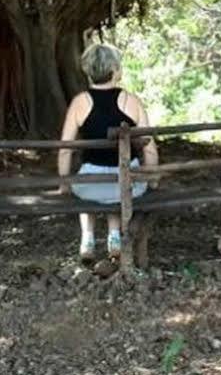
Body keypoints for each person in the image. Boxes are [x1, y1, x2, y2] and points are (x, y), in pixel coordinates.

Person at [57, 44, 159, 262]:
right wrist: (152, 180)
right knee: (118, 181)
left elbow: (65, 149)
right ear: (114, 70)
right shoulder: (132, 101)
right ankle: (114, 237)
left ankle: (88, 238)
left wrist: (64, 183)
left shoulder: (79, 103)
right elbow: (149, 147)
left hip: (90, 186)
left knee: (87, 178)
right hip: (128, 186)